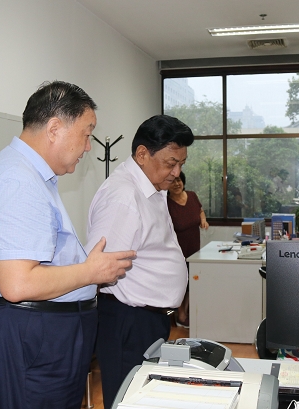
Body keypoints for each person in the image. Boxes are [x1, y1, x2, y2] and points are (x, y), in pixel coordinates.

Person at [0, 81, 135, 409]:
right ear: (54, 129)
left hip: (35, 335)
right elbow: (18, 284)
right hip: (26, 337)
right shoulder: (17, 181)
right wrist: (90, 272)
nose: (88, 147)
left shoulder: (28, 176)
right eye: (86, 134)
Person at [85, 114, 194, 408]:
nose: (177, 172)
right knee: (128, 401)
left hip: (146, 319)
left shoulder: (151, 188)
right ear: (143, 154)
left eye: (181, 164)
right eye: (171, 163)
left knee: (144, 400)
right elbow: (99, 269)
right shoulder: (123, 197)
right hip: (127, 321)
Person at [167, 171, 209, 327]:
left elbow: (200, 210)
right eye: (172, 181)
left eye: (179, 180)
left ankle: (185, 311)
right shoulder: (165, 203)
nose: (177, 184)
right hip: (177, 251)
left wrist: (203, 220)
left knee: (193, 281)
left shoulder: (192, 196)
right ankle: (181, 315)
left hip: (194, 249)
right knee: (180, 283)